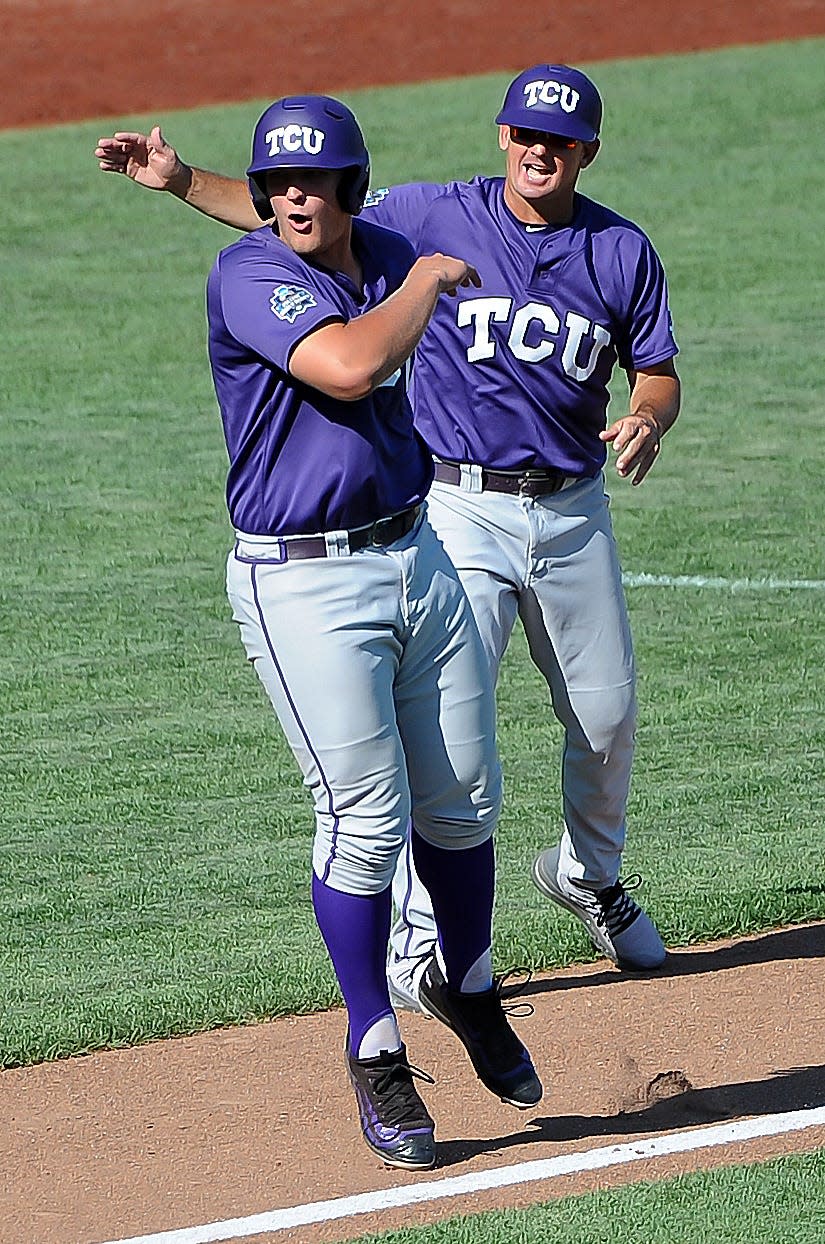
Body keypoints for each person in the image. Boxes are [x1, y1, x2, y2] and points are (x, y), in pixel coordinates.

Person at [95, 63, 681, 1016]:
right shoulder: (433, 218)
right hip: (456, 507)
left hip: (572, 508)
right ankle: (421, 956)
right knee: (445, 756)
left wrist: (649, 415)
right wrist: (181, 181)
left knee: (607, 717)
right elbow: (299, 219)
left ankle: (587, 876)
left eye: (561, 141)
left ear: (587, 153)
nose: (540, 150)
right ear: (501, 135)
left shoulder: (620, 250)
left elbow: (655, 370)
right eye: (526, 133)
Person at [109, 93, 543, 1172]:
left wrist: (182, 179)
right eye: (278, 184)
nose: (296, 197)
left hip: (417, 550)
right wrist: (430, 282)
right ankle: (376, 1044)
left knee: (466, 797)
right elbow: (351, 364)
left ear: (351, 186)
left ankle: (466, 977)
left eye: (317, 180)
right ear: (265, 198)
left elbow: (326, 233)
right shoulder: (250, 276)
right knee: (365, 819)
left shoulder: (376, 243)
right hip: (305, 587)